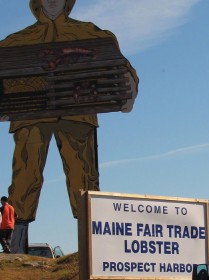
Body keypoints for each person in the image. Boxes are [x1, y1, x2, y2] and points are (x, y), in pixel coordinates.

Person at [0, 0, 139, 253]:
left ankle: (94, 250)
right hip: (32, 118)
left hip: (78, 117)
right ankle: (16, 249)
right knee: (24, 175)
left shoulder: (92, 34)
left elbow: (122, 67)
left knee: (84, 177)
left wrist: (129, 86)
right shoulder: (14, 42)